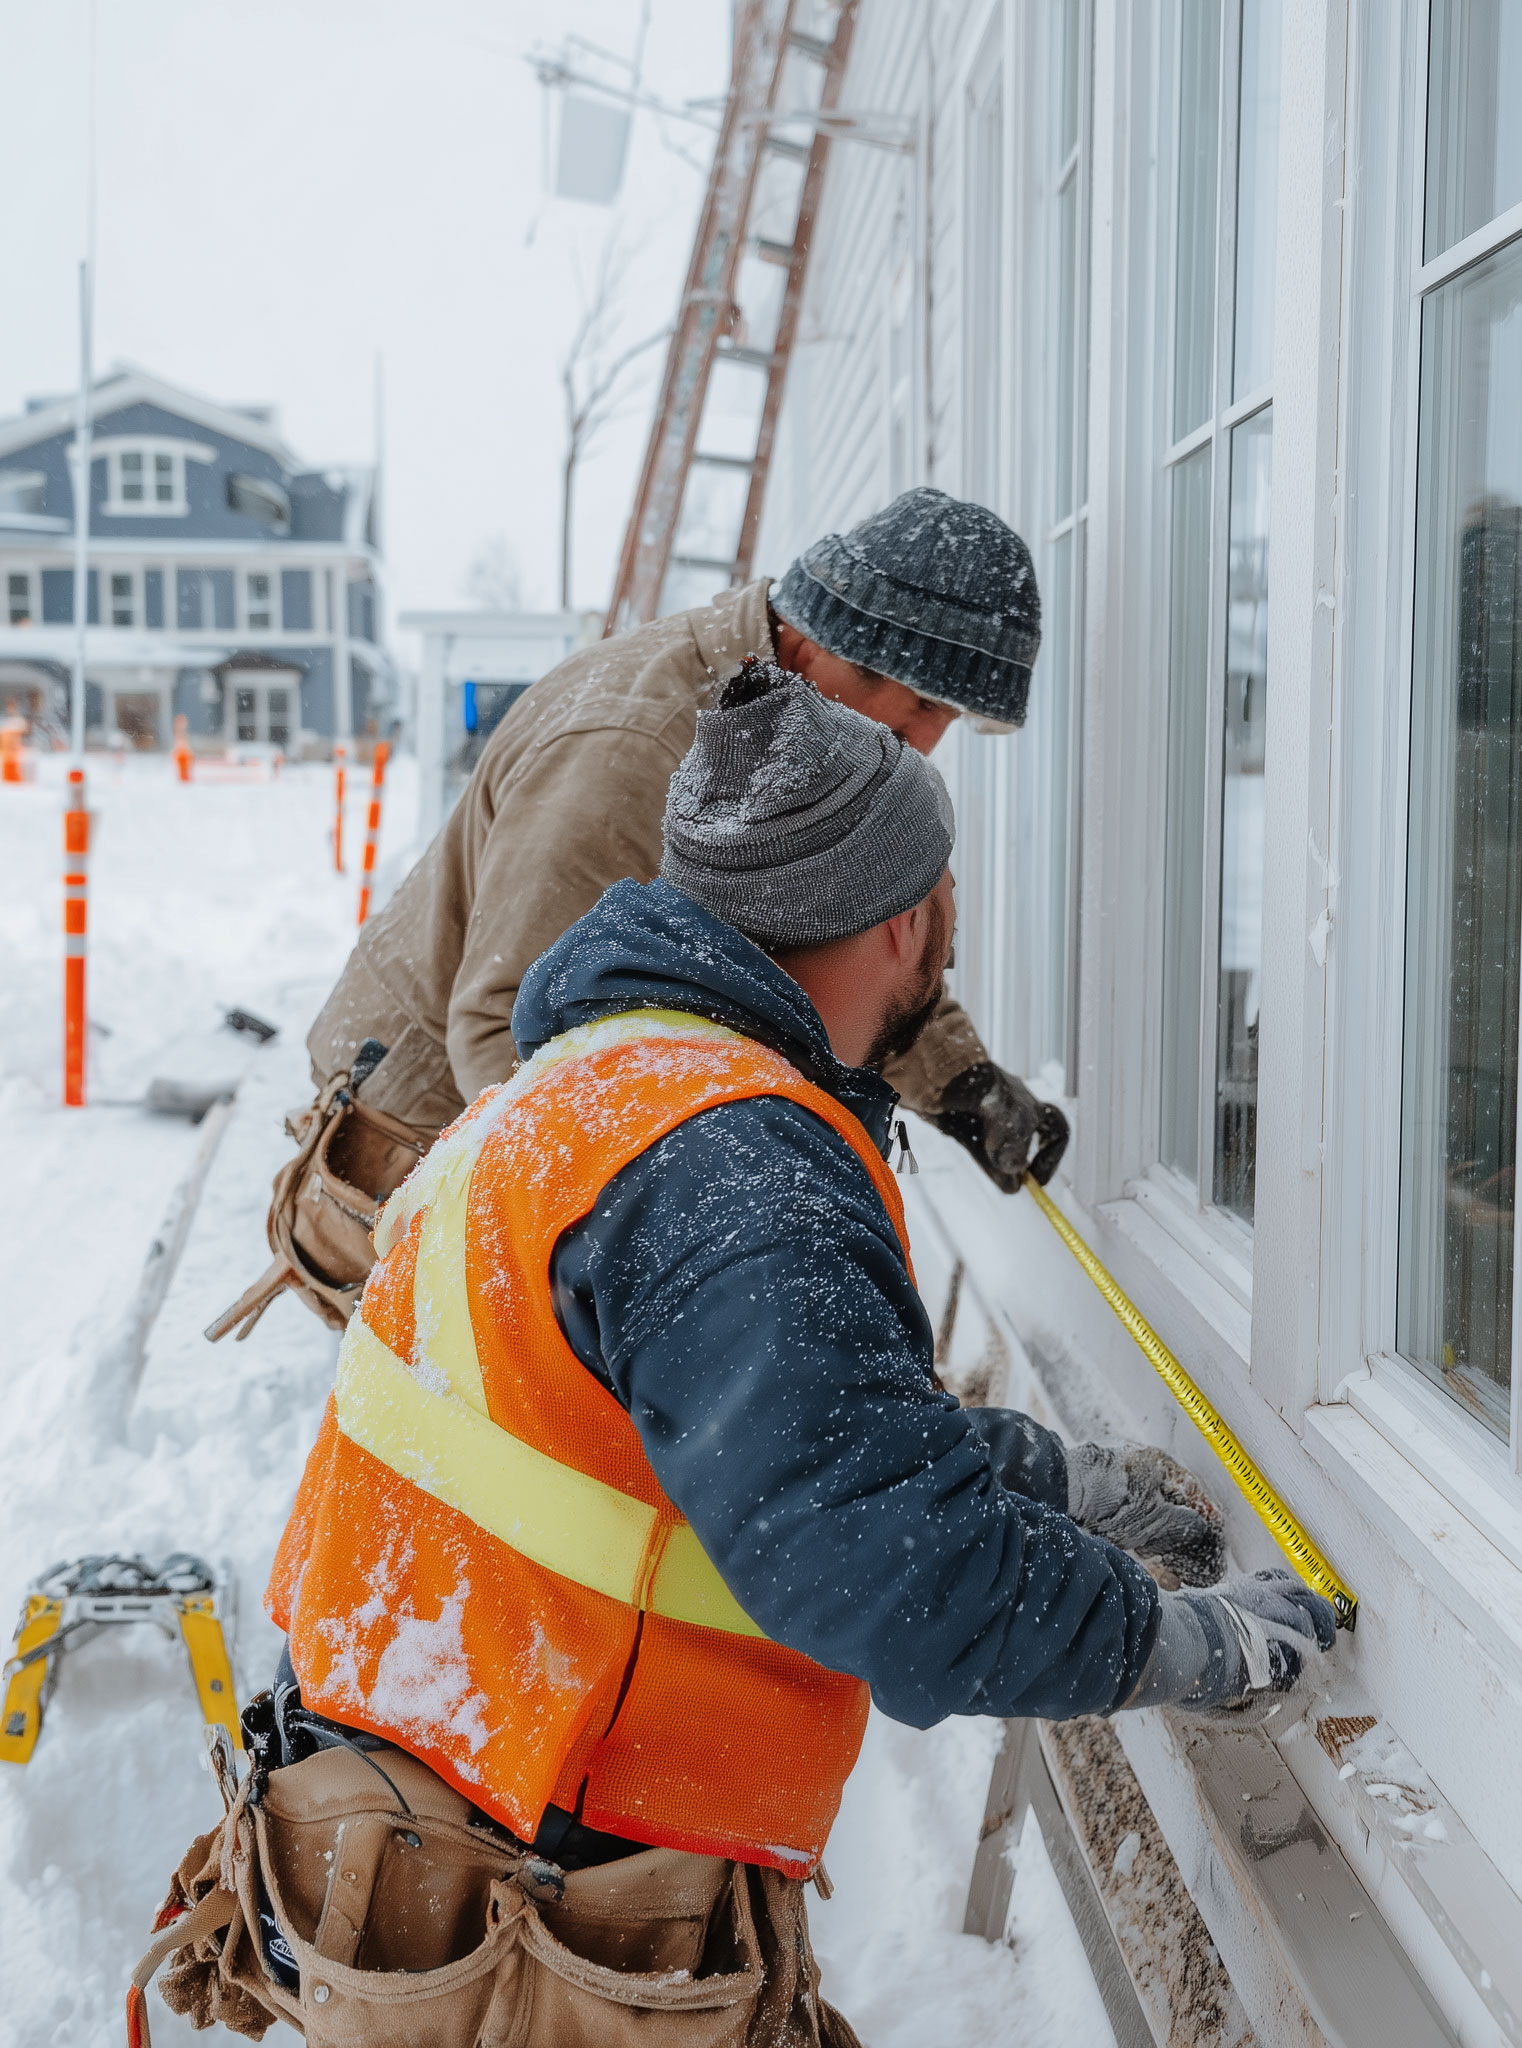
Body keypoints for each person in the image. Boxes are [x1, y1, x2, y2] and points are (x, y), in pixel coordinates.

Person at [141, 663, 1336, 2044]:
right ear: (908, 916)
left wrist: (1048, 1480)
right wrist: (1186, 1646)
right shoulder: (731, 1169)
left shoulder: (604, 1086)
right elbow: (906, 1572)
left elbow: (774, 1438)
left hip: (429, 1794)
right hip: (535, 1894)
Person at [210, 488, 1070, 1340]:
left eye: (948, 716)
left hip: (548, 1138)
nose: (927, 741)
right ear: (812, 652)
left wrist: (965, 1085)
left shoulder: (798, 746)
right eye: (920, 706)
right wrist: (676, 1247)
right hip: (427, 1145)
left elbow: (844, 934)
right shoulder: (637, 749)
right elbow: (503, 1030)